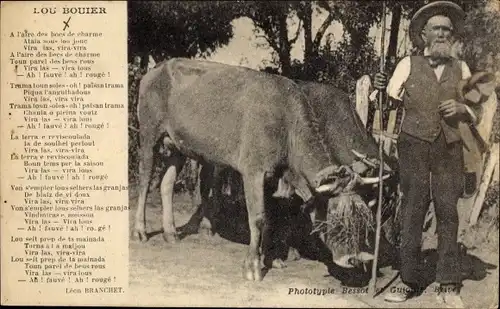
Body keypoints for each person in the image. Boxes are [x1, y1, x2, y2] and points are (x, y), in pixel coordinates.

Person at [373, 1, 483, 307]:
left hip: (449, 145)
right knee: (413, 209)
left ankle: (448, 283)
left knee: (447, 210)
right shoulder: (407, 64)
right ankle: (409, 280)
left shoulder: (461, 68)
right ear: (423, 34)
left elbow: (476, 107)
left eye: (448, 30)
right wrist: (380, 89)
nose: (443, 34)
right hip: (413, 144)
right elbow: (386, 101)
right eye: (437, 28)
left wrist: (463, 108)